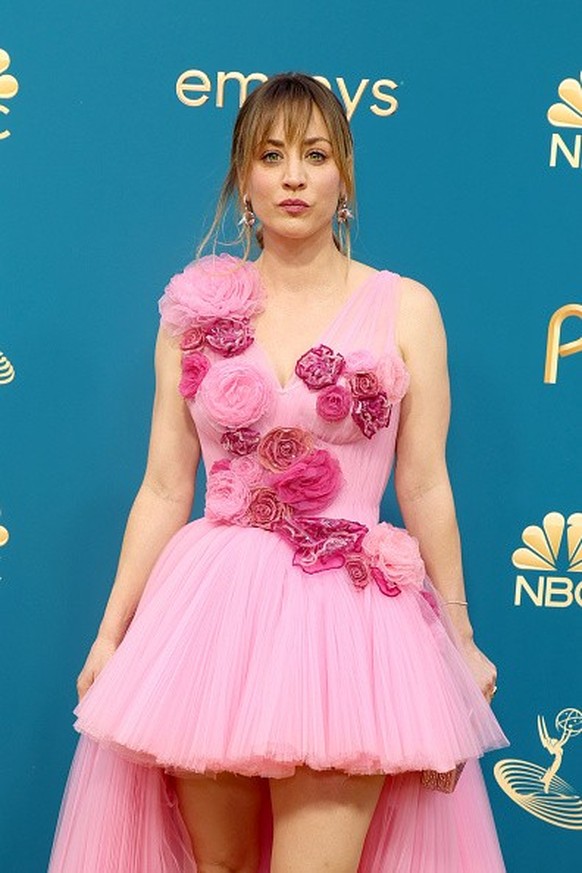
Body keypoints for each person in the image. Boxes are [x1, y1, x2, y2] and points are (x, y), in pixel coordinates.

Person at [48, 72, 509, 873]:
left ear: (345, 176)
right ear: (243, 178)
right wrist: (111, 633)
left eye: (315, 153)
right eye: (271, 155)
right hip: (211, 620)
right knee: (218, 866)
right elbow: (164, 486)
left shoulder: (406, 308)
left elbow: (425, 482)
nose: (293, 175)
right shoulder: (194, 313)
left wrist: (461, 635)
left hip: (351, 622)